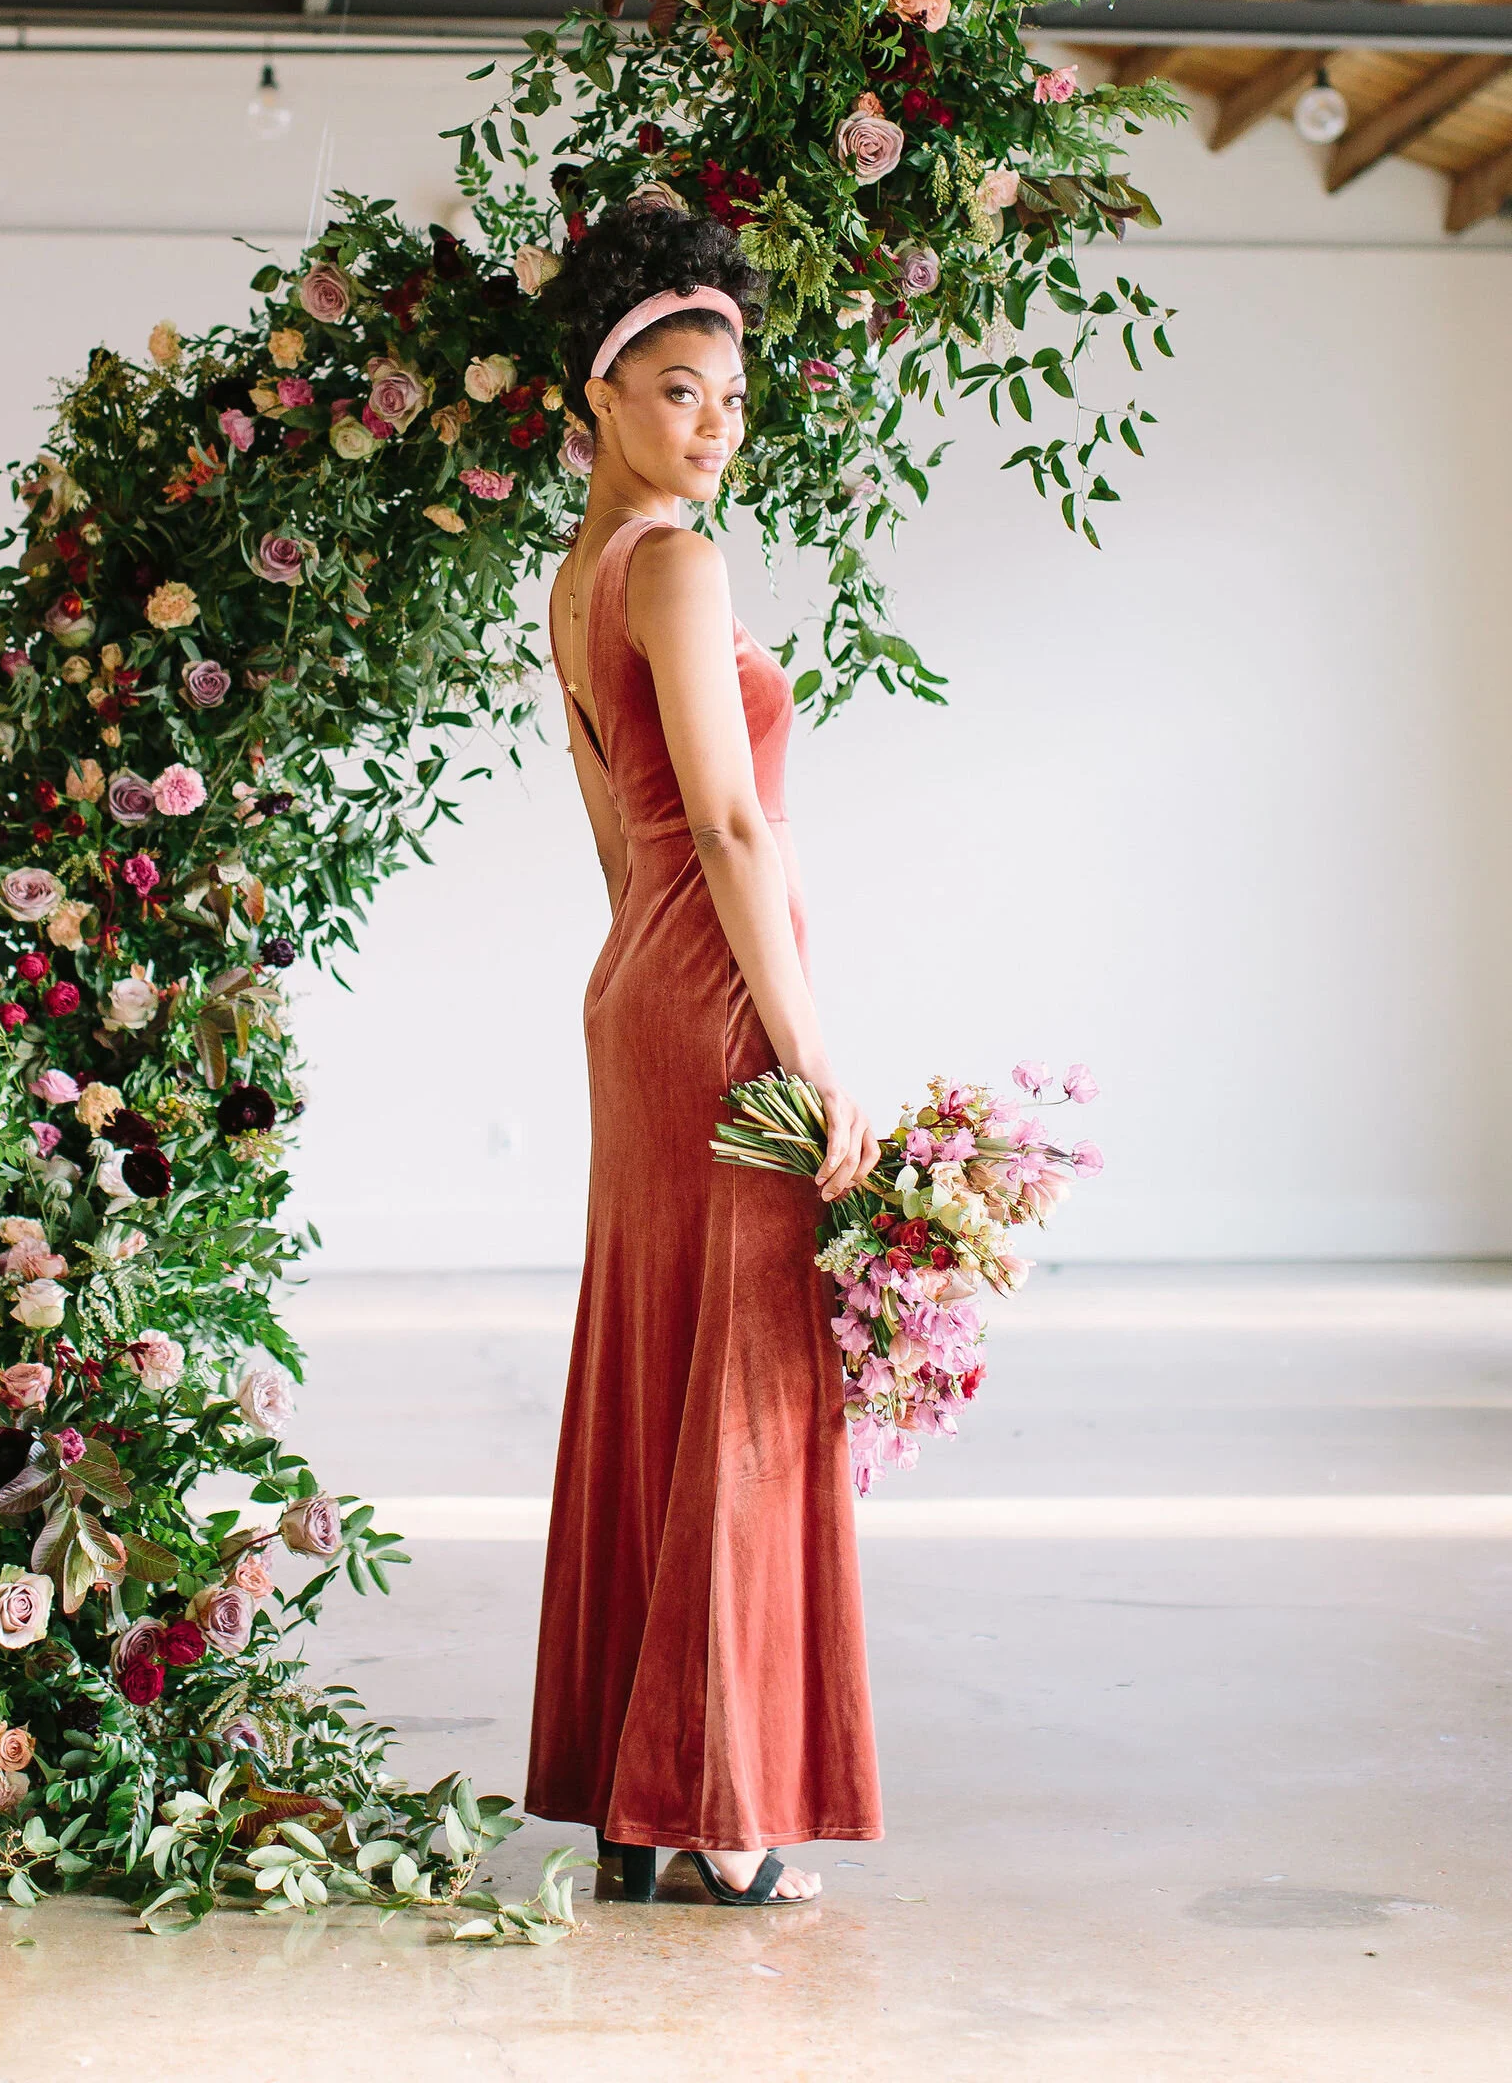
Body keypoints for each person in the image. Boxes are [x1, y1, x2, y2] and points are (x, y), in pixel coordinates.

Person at [524, 195, 883, 1907]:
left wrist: (649, 986)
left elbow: (618, 832)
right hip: (717, 982)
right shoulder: (674, 561)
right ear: (601, 395)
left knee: (663, 1365)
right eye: (679, 388)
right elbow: (732, 828)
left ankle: (635, 1798)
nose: (714, 422)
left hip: (637, 983)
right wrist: (808, 1053)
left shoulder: (572, 577)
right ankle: (724, 1810)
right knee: (739, 1371)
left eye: (730, 393)